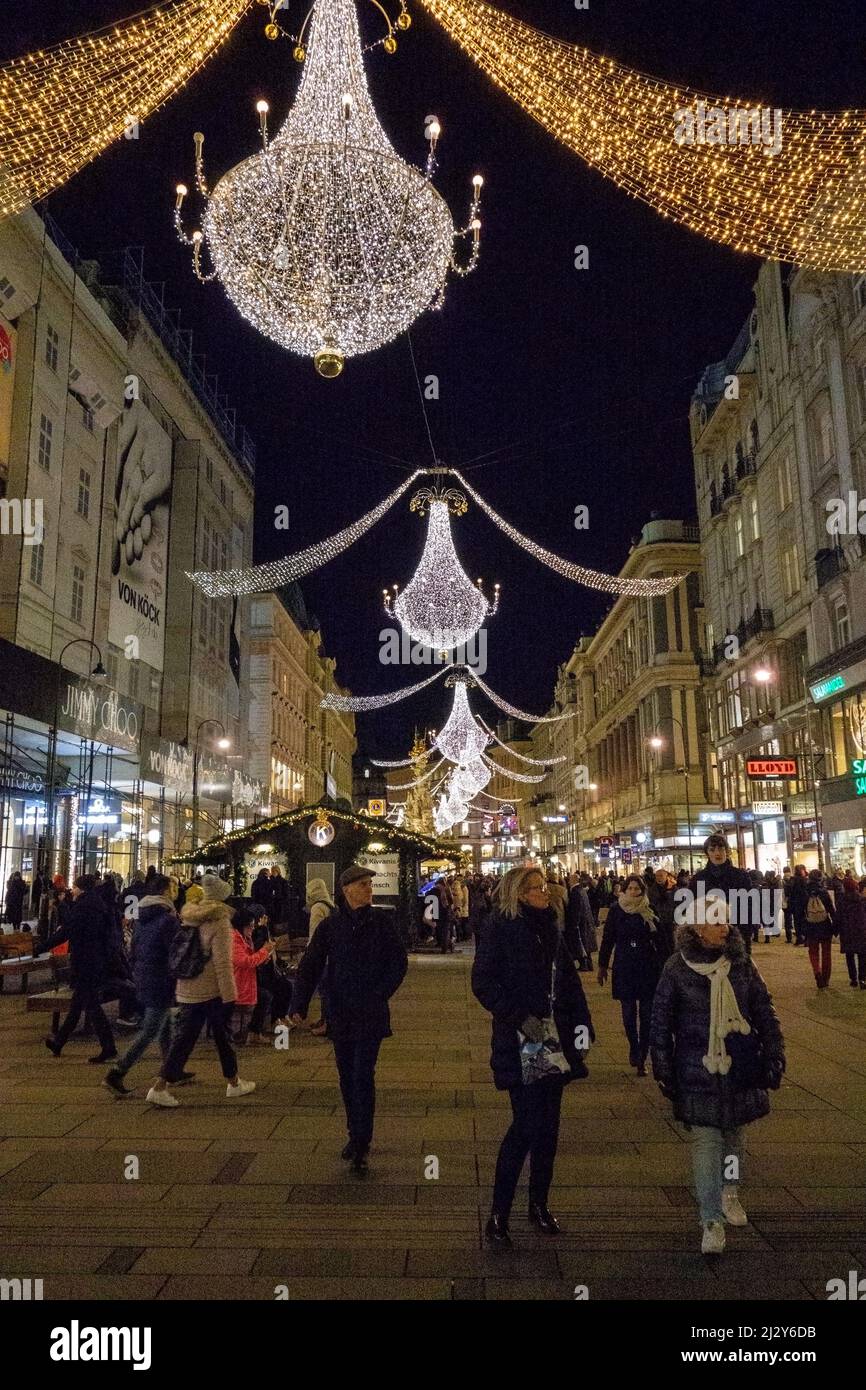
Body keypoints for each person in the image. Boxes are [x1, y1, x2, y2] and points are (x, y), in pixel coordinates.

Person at [650, 905, 785, 1255]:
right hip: (696, 1069)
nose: (723, 928)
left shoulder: (742, 964)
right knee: (707, 1143)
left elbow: (764, 1010)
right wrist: (662, 1067)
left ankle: (730, 1192)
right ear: (696, 929)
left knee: (735, 1138)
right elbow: (661, 1021)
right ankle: (710, 1220)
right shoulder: (677, 968)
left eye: (724, 920)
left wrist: (774, 1053)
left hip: (739, 1066)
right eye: (714, 922)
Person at [472, 866, 593, 1246]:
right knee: (525, 1125)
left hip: (555, 1037)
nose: (546, 892)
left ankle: (539, 1204)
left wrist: (582, 1027)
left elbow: (569, 983)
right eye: (538, 888)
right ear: (520, 894)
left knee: (549, 1129)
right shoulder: (499, 927)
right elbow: (483, 982)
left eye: (544, 887)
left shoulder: (551, 928)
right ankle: (498, 1213)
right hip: (523, 1038)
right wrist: (517, 1017)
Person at [290, 864, 408, 1175]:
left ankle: (361, 1140)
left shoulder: (381, 922)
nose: (370, 888)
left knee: (362, 1075)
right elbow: (311, 964)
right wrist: (298, 1005)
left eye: (370, 883)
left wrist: (380, 992)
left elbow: (398, 962)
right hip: (340, 1011)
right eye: (363, 884)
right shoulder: (331, 926)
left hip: (370, 1012)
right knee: (346, 1076)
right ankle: (353, 1134)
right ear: (346, 890)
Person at [146, 872, 255, 1107]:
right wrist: (230, 994)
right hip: (211, 990)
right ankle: (231, 1084)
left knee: (186, 1039)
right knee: (220, 1038)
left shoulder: (190, 915)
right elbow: (222, 963)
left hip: (187, 986)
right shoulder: (220, 920)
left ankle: (231, 1081)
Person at [104, 874, 189, 1096]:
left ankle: (172, 1069)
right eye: (173, 887)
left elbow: (134, 947)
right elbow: (176, 952)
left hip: (143, 975)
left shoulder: (142, 916)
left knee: (165, 1024)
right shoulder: (168, 919)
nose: (176, 890)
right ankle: (117, 1072)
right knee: (151, 1029)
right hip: (159, 977)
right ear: (165, 891)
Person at [45, 874, 119, 1063]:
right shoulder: (97, 904)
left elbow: (68, 930)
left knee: (92, 1006)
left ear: (82, 888)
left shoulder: (86, 906)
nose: (73, 890)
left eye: (75, 887)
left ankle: (108, 1046)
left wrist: (40, 947)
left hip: (87, 962)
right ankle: (59, 1042)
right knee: (78, 1005)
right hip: (95, 961)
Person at [598, 873, 664, 1075]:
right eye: (631, 889)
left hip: (647, 966)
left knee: (646, 1015)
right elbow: (608, 939)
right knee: (628, 1013)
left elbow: (661, 941)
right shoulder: (617, 911)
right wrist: (602, 965)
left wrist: (665, 967)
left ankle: (642, 1054)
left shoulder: (649, 910)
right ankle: (634, 1047)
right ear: (624, 890)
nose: (634, 892)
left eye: (637, 889)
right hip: (624, 965)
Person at [689, 834, 756, 955]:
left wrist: (748, 931)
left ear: (727, 851)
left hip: (737, 931)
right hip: (708, 934)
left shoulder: (741, 876)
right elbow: (693, 907)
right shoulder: (698, 879)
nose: (717, 853)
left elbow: (749, 905)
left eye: (721, 848)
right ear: (707, 853)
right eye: (712, 849)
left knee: (738, 968)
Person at [230, 907, 275, 1043]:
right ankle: (246, 1034)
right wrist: (264, 952)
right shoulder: (234, 939)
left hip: (246, 980)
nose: (252, 929)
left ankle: (253, 1031)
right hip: (238, 982)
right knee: (265, 996)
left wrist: (264, 956)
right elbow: (245, 961)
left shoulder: (244, 938)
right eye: (250, 926)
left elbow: (250, 958)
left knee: (269, 993)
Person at [305, 878, 335, 1036]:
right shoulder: (330, 904)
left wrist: (310, 954)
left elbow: (315, 933)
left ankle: (327, 1023)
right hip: (332, 954)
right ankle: (325, 1020)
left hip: (323, 955)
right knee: (327, 988)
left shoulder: (317, 907)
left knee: (324, 989)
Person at [804, 868, 836, 989]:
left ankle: (817, 972)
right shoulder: (824, 893)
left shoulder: (805, 892)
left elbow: (801, 912)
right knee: (826, 953)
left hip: (811, 926)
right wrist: (835, 927)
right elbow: (832, 911)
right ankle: (826, 978)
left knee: (813, 952)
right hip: (825, 926)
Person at [837, 881, 866, 990]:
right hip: (861, 931)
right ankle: (862, 979)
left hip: (847, 932)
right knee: (862, 956)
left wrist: (834, 930)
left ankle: (853, 979)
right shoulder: (862, 899)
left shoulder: (841, 900)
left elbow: (838, 917)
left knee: (849, 956)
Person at [565, 875, 597, 971]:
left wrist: (574, 923)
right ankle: (588, 964)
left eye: (570, 880)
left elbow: (576, 909)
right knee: (585, 944)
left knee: (580, 943)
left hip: (580, 924)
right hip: (586, 922)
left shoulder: (575, 892)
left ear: (573, 880)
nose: (569, 882)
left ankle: (584, 965)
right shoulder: (581, 890)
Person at [787, 865, 810, 946]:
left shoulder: (793, 880)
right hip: (804, 903)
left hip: (796, 903)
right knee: (805, 921)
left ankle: (799, 938)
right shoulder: (805, 880)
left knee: (797, 921)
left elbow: (790, 892)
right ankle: (806, 938)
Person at [451, 873, 470, 941]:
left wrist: (463, 905)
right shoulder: (460, 886)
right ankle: (463, 936)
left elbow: (465, 898)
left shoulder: (463, 887)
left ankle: (464, 936)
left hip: (461, 907)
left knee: (462, 923)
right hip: (460, 907)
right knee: (461, 923)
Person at [781, 867, 794, 943]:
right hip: (794, 902)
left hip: (786, 902)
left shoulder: (782, 881)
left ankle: (789, 937)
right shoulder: (793, 879)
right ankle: (800, 936)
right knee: (796, 919)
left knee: (787, 920)